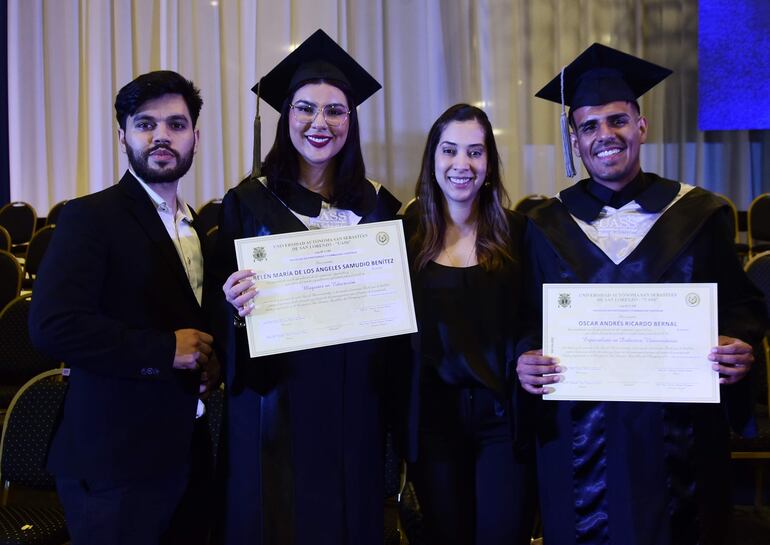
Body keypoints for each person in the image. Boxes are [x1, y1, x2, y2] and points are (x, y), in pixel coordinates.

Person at [516, 43, 767, 545]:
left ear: (641, 126)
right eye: (589, 126)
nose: (604, 136)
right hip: (579, 443)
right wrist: (522, 358)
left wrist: (739, 345)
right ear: (574, 139)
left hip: (679, 442)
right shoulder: (542, 225)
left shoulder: (700, 215)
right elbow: (523, 318)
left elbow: (740, 307)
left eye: (617, 121)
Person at [208, 29, 401, 545]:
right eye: (305, 109)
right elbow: (218, 313)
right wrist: (232, 304)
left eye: (335, 111)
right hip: (276, 399)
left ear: (351, 121)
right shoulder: (246, 203)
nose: (320, 123)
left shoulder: (382, 210)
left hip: (354, 401)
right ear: (285, 116)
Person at [29, 70, 218, 545]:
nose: (161, 136)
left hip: (186, 449)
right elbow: (52, 326)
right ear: (123, 136)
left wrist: (216, 361)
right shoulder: (90, 216)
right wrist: (162, 350)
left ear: (196, 136)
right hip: (114, 461)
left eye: (176, 124)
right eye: (145, 123)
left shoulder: (193, 226)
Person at [403, 104, 535, 545]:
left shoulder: (519, 234)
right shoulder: (403, 237)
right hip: (433, 420)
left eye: (475, 152)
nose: (462, 165)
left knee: (503, 533)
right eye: (450, 151)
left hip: (502, 420)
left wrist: (530, 352)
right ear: (432, 159)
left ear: (490, 164)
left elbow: (536, 316)